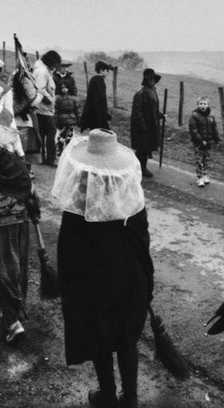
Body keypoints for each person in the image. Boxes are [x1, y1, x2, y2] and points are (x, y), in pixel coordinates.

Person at [53, 129, 154, 408]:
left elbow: (69, 251)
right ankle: (130, 398)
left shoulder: (79, 202)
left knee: (100, 338)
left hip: (95, 285)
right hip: (129, 279)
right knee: (126, 339)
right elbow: (141, 240)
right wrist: (145, 281)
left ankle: (108, 393)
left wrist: (71, 287)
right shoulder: (131, 196)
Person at [0, 116, 33, 343]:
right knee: (17, 266)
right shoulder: (11, 161)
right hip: (18, 221)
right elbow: (28, 186)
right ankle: (14, 311)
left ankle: (12, 319)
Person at [130, 68, 164, 178]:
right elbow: (137, 112)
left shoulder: (152, 91)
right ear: (146, 80)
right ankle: (140, 168)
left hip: (151, 125)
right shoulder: (140, 93)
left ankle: (140, 167)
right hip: (143, 127)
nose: (152, 81)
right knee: (142, 149)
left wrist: (160, 115)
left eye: (153, 79)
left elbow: (153, 109)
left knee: (146, 148)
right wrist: (143, 127)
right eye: (150, 79)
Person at [0, 57, 24, 157]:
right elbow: (9, 112)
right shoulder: (6, 89)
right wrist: (19, 149)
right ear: (1, 70)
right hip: (1, 120)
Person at [33, 50, 62, 166]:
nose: (56, 66)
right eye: (56, 63)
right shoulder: (42, 71)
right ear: (51, 61)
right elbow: (40, 88)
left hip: (44, 109)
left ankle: (43, 157)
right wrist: (50, 99)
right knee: (51, 131)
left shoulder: (44, 70)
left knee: (43, 132)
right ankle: (51, 158)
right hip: (43, 108)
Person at [188, 95, 220, 187]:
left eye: (205, 104)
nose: (203, 105)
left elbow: (214, 129)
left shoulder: (211, 117)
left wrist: (216, 139)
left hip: (208, 142)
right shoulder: (194, 116)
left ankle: (205, 174)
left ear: (208, 105)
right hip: (198, 142)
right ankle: (200, 177)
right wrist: (200, 140)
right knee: (199, 159)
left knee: (206, 159)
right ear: (197, 105)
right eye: (201, 103)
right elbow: (193, 130)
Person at [80, 61, 113, 133]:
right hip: (97, 115)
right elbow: (97, 99)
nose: (107, 72)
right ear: (101, 70)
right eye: (106, 70)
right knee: (102, 134)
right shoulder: (98, 80)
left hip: (97, 114)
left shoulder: (95, 80)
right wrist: (101, 114)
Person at [54, 82, 81, 157]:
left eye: (65, 88)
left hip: (71, 121)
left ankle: (68, 152)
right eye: (62, 88)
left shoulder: (73, 98)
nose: (64, 90)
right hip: (61, 121)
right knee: (61, 138)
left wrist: (79, 121)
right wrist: (55, 121)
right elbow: (56, 111)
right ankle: (60, 150)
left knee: (69, 137)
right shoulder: (58, 98)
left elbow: (77, 111)